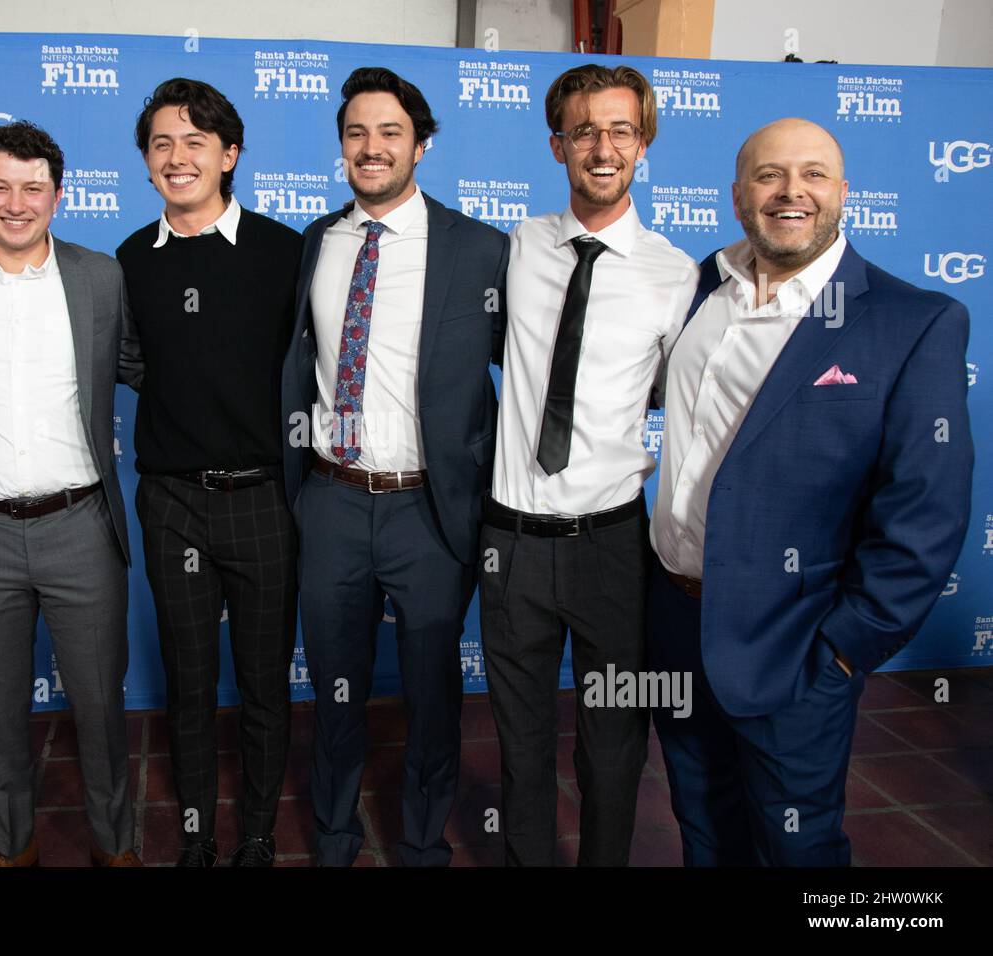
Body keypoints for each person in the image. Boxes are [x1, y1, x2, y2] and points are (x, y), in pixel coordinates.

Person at [648, 117, 973, 865]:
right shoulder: (699, 287)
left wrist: (845, 651)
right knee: (703, 827)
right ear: (737, 195)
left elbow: (925, 514)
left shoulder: (910, 322)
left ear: (843, 193)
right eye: (769, 175)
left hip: (797, 648)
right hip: (673, 620)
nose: (791, 191)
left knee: (799, 849)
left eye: (814, 174)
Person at [281, 66, 509, 867]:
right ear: (341, 146)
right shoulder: (320, 241)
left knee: (432, 692)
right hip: (332, 501)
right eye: (356, 133)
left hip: (430, 511)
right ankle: (335, 837)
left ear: (422, 144)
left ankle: (420, 843)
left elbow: (531, 360)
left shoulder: (480, 248)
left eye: (389, 133)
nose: (371, 149)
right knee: (334, 689)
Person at [480, 64, 698, 867]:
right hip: (510, 543)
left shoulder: (676, 276)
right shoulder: (513, 248)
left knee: (613, 748)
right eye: (584, 131)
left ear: (642, 144)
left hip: (612, 547)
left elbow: (694, 407)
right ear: (557, 144)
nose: (602, 148)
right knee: (521, 741)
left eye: (621, 131)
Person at [0, 120, 141, 867]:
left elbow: (147, 363)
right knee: (0, 713)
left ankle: (118, 846)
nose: (16, 203)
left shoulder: (99, 276)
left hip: (80, 524)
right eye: (0, 187)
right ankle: (14, 849)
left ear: (58, 196)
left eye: (33, 188)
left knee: (102, 709)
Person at [116, 78, 302, 867]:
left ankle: (256, 837)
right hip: (171, 504)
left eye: (196, 141)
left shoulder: (286, 251)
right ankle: (196, 837)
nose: (177, 156)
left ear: (229, 155)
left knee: (263, 687)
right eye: (162, 143)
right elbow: (128, 364)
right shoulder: (129, 259)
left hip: (264, 499)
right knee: (188, 687)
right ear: (146, 162)